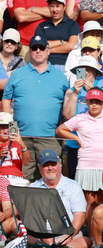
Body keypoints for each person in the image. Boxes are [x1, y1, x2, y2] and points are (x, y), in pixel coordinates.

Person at [1, 35, 68, 180]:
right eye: (34, 48)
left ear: (48, 51)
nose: (38, 51)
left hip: (50, 138)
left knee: (52, 180)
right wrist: (12, 130)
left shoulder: (61, 76)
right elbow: (6, 99)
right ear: (29, 51)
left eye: (42, 48)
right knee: (21, 180)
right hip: (22, 137)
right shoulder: (17, 74)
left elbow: (66, 107)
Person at [57, 87, 103, 232]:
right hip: (86, 165)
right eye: (91, 101)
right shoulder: (80, 118)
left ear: (102, 102)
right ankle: (91, 237)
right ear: (86, 102)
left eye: (97, 102)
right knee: (89, 202)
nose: (94, 105)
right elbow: (60, 129)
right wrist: (76, 139)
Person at [29, 149, 91, 248]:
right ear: (40, 168)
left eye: (53, 164)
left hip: (67, 232)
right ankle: (41, 245)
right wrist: (44, 237)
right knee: (25, 233)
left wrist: (68, 236)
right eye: (46, 165)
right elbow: (30, 217)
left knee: (85, 240)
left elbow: (79, 215)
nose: (50, 168)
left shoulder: (73, 186)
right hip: (41, 234)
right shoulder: (32, 188)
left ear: (60, 166)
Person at [33, 0, 80, 72]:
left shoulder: (72, 24)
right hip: (45, 65)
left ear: (64, 7)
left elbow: (71, 46)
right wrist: (61, 42)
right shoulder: (42, 26)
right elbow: (39, 46)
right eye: (52, 6)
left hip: (67, 65)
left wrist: (47, 49)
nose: (55, 10)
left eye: (58, 6)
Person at [0, 112, 30, 186]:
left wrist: (22, 144)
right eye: (2, 127)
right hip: (1, 178)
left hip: (17, 179)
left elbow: (26, 162)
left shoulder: (17, 143)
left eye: (7, 127)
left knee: (29, 187)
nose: (5, 131)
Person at [0, 29, 26, 94]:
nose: (9, 44)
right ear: (2, 43)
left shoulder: (21, 63)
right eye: (7, 41)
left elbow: (23, 83)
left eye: (13, 42)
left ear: (17, 46)